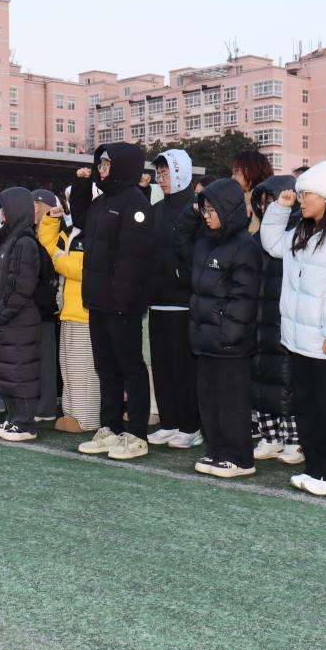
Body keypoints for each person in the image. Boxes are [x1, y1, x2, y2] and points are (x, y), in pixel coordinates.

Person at [261, 161, 326, 496]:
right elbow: (272, 245)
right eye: (301, 193)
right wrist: (279, 210)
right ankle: (316, 469)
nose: (301, 199)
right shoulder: (304, 230)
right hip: (301, 340)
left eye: (308, 193)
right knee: (308, 406)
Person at [174, 177, 263, 477]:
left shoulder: (244, 246)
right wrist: (193, 209)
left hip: (229, 343)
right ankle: (216, 450)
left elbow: (244, 296)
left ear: (228, 209)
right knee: (209, 400)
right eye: (205, 209)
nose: (207, 215)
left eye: (212, 210)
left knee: (231, 402)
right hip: (205, 338)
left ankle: (239, 458)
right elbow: (180, 240)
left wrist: (229, 336)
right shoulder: (204, 240)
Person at [78, 143, 156, 460]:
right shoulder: (101, 202)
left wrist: (125, 300)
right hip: (99, 301)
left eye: (107, 164)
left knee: (130, 367)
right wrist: (81, 186)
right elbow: (80, 220)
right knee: (106, 368)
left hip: (122, 304)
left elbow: (134, 259)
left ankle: (136, 435)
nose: (101, 169)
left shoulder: (136, 203)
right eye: (100, 164)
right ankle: (109, 427)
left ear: (122, 166)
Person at [146, 148, 202, 449]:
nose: (162, 178)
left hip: (184, 301)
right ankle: (169, 422)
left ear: (181, 171)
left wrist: (182, 276)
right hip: (157, 300)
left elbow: (196, 253)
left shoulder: (195, 210)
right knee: (162, 366)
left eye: (167, 172)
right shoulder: (156, 209)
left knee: (183, 369)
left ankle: (190, 425)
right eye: (159, 173)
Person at [38, 173, 101, 433]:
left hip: (86, 313)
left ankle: (87, 418)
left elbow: (82, 269)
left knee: (84, 368)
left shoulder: (96, 231)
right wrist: (50, 220)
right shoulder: (71, 231)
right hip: (67, 310)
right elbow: (47, 244)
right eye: (69, 200)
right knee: (68, 366)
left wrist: (58, 259)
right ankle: (71, 413)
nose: (71, 205)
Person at [250, 175, 304, 465]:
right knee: (262, 378)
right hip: (260, 320)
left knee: (288, 379)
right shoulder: (255, 240)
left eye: (271, 201)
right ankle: (270, 436)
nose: (266, 207)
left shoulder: (299, 238)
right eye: (262, 203)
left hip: (287, 319)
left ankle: (294, 439)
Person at [0, 188, 45, 441]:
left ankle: (25, 423)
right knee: (9, 372)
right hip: (10, 319)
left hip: (19, 319)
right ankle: (14, 419)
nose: (2, 213)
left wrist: (2, 312)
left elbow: (21, 285)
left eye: (4, 208)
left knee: (20, 372)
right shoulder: (12, 238)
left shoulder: (24, 241)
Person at [29, 189, 63, 424]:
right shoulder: (29, 232)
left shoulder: (57, 232)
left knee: (47, 359)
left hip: (49, 307)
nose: (33, 208)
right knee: (35, 358)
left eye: (36, 204)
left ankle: (47, 406)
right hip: (34, 305)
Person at [230, 149, 275, 232]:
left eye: (236, 171)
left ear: (249, 171)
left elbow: (252, 235)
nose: (232, 177)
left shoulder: (264, 202)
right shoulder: (243, 200)